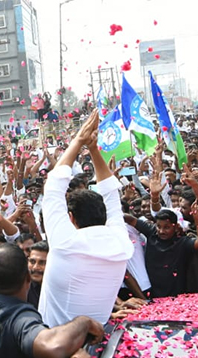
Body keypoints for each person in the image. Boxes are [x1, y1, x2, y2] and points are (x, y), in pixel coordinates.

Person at [37, 112, 133, 327]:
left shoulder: (65, 244)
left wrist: (80, 140)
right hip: (99, 350)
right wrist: (92, 149)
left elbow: (53, 185)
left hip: (53, 351)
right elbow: (111, 195)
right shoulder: (122, 244)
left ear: (71, 218)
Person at [0, 244, 103, 358]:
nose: (36, 267)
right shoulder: (22, 320)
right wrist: (84, 322)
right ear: (28, 277)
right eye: (32, 262)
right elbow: (53, 349)